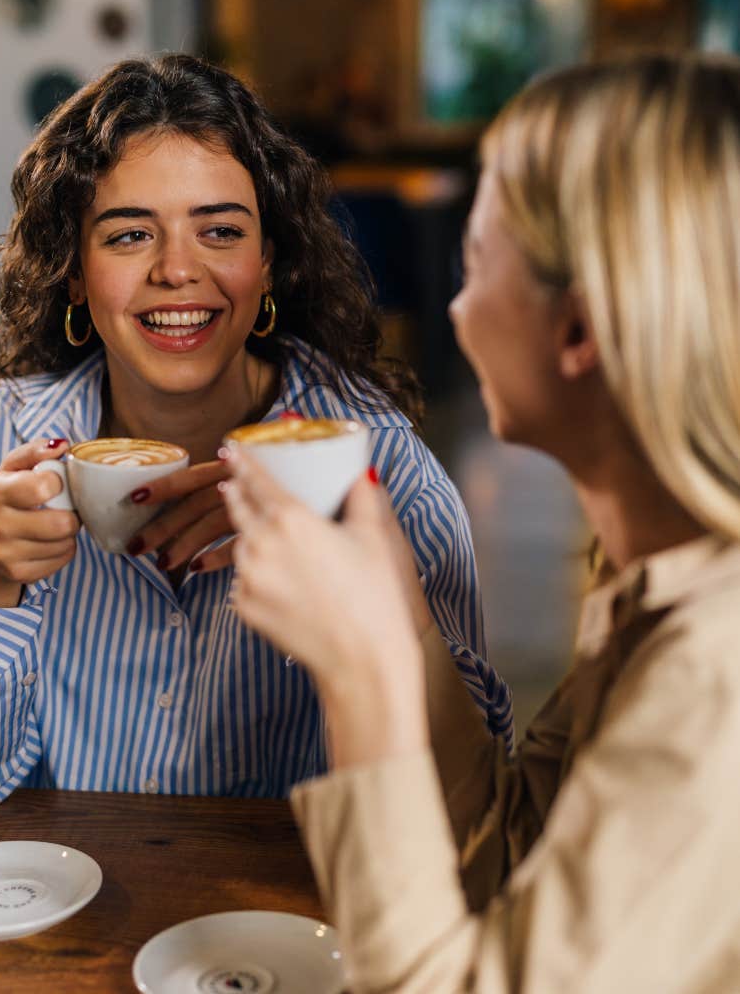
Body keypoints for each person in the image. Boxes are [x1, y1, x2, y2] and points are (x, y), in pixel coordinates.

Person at [214, 54, 740, 991]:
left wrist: (359, 672)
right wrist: (406, 618)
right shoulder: (650, 583)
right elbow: (516, 849)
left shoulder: (715, 684)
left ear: (579, 330)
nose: (454, 310)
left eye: (475, 260)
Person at [0, 54, 511, 818]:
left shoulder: (375, 463)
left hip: (296, 924)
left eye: (219, 230)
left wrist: (364, 599)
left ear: (268, 262)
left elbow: (469, 820)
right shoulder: (2, 437)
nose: (179, 271)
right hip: (67, 918)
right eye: (127, 237)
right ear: (74, 274)